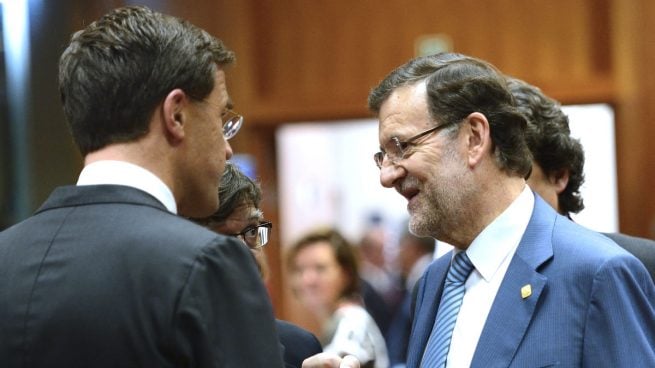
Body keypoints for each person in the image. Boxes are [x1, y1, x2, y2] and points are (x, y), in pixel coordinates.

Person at [0, 6, 285, 367]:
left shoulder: (4, 257)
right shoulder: (206, 262)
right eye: (221, 118)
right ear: (176, 115)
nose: (227, 148)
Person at [366, 52, 655, 367]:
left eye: (403, 148)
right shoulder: (433, 283)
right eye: (384, 156)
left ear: (474, 137)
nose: (387, 175)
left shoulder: (596, 273)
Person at [507, 76, 655, 282]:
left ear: (559, 176)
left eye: (513, 174)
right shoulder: (460, 274)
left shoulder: (639, 263)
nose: (498, 193)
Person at [191, 162, 323, 368]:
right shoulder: (170, 350)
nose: (244, 251)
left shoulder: (300, 348)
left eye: (252, 232)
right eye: (224, 237)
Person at [287, 228, 390, 368]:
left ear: (346, 274)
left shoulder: (353, 321)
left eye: (320, 268)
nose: (307, 279)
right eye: (299, 269)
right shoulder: (336, 320)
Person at [385, 229, 435, 368]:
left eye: (401, 246)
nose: (398, 253)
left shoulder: (426, 276)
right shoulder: (415, 277)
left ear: (413, 247)